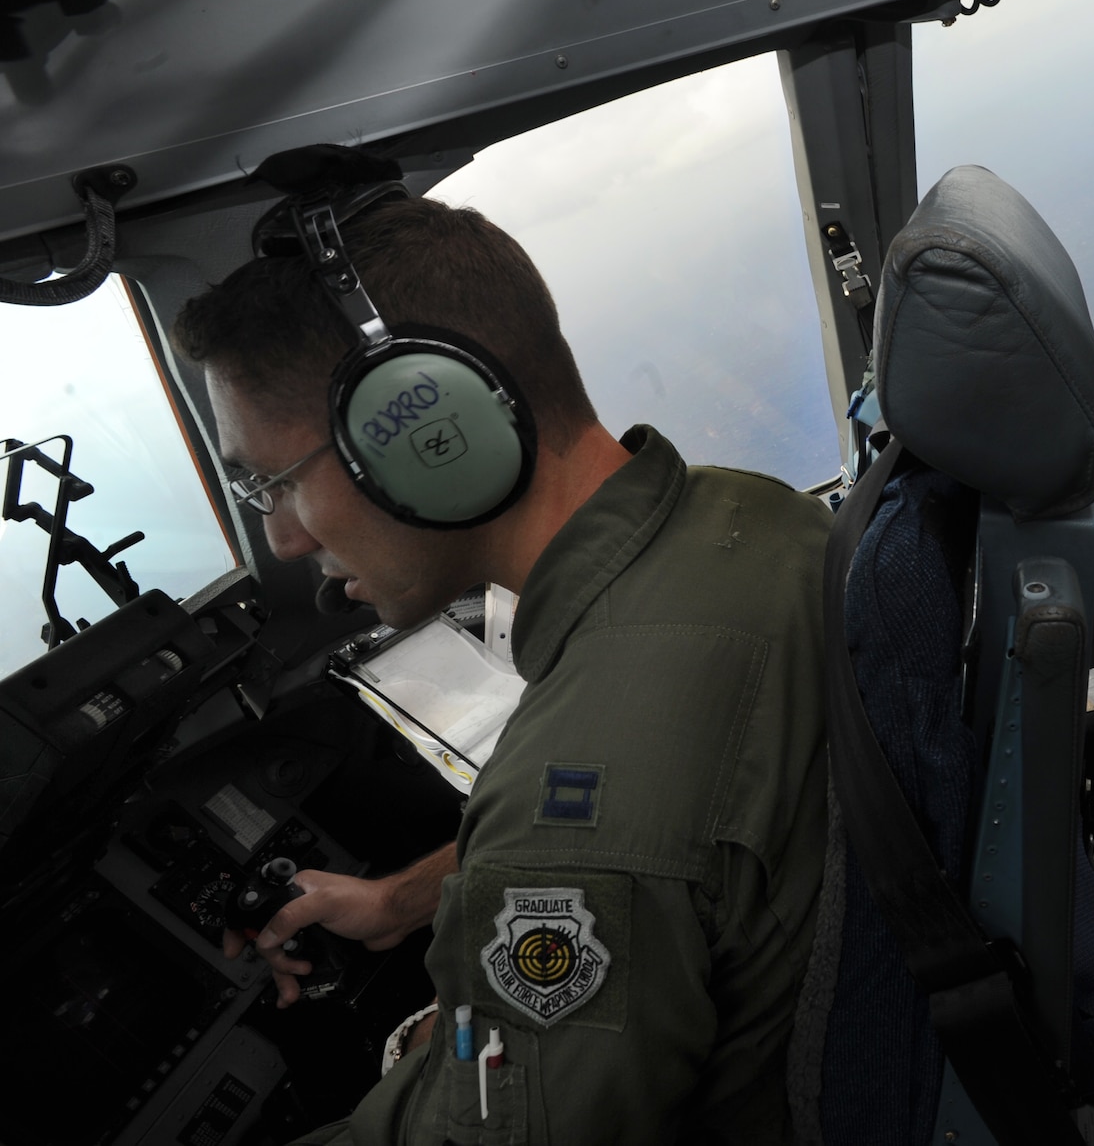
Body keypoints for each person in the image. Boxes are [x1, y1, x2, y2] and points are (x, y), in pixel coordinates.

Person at [173, 182, 831, 1144]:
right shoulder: (753, 513)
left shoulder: (571, 815)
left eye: (274, 482)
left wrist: (441, 1052)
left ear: (425, 428)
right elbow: (684, 850)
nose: (280, 541)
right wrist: (409, 899)